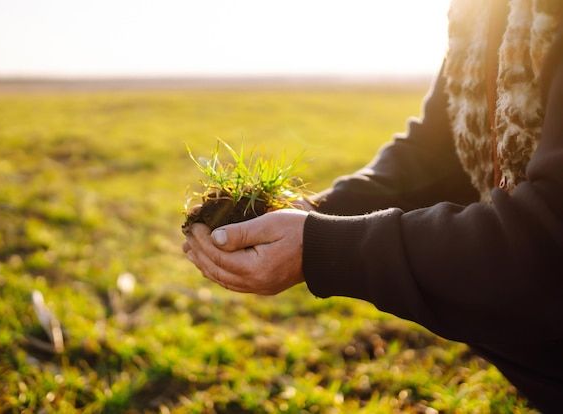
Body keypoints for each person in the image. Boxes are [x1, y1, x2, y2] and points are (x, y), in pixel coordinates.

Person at [183, 0, 563, 411]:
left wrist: (323, 248)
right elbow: (435, 149)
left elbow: (551, 243)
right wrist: (316, 210)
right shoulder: (480, 11)